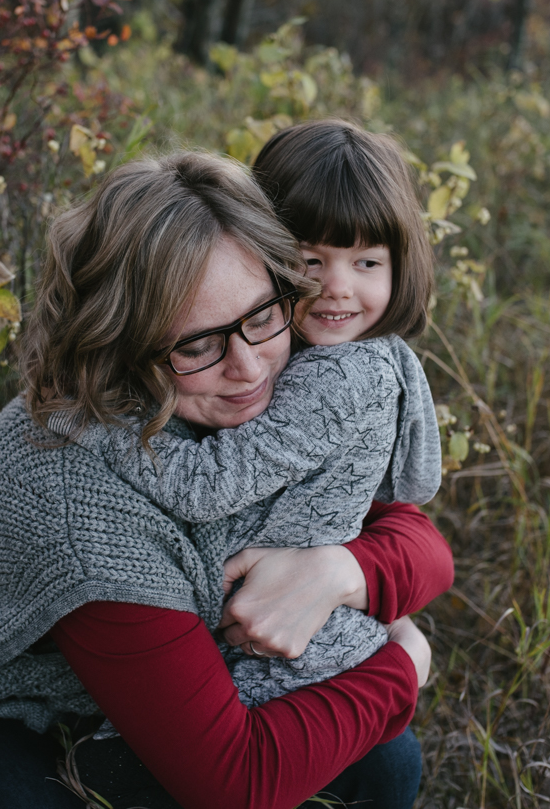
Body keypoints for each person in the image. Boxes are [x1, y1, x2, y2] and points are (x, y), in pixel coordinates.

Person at [0, 151, 454, 809]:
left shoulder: (252, 375)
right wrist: (404, 663)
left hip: (143, 704)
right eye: (196, 343)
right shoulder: (78, 498)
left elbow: (416, 537)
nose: (248, 367)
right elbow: (236, 783)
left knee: (383, 764)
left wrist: (343, 572)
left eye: (263, 316)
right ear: (122, 343)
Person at [64, 119, 442, 711]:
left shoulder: (341, 374)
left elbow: (207, 485)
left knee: (237, 738)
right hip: (271, 616)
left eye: (367, 262)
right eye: (310, 261)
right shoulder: (324, 355)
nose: (337, 288)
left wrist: (93, 426)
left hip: (289, 643)